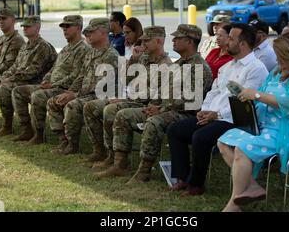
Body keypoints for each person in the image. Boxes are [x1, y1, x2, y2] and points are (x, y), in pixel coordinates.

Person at [217, 33, 289, 212]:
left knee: (242, 148)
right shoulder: (278, 71)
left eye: (281, 57)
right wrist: (247, 94)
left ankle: (233, 206)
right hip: (266, 127)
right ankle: (251, 186)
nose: (278, 60)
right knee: (224, 142)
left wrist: (257, 95)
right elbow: (261, 92)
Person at [95, 24, 213, 184]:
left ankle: (144, 171)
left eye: (178, 38)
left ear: (190, 42)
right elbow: (162, 91)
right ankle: (119, 163)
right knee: (123, 115)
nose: (174, 40)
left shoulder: (198, 67)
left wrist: (160, 109)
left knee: (153, 122)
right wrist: (156, 105)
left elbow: (190, 100)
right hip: (163, 108)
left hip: (186, 114)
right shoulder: (178, 64)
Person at [168, 23, 268, 196]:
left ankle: (196, 184)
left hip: (236, 120)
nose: (226, 42)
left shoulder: (256, 69)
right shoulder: (227, 67)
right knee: (175, 130)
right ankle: (183, 177)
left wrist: (217, 114)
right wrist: (205, 110)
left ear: (243, 44)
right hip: (214, 116)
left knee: (200, 137)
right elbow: (214, 92)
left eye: (231, 38)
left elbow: (244, 103)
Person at [83, 26, 172, 168]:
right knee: (91, 106)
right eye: (142, 42)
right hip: (132, 98)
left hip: (147, 105)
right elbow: (125, 80)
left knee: (112, 110)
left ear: (159, 41)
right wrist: (133, 60)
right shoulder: (143, 59)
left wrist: (126, 100)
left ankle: (119, 162)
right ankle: (104, 152)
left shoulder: (165, 65)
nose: (142, 45)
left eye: (146, 42)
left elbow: (155, 94)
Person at [11, 15, 91, 146]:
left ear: (78, 28)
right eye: (63, 27)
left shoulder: (82, 49)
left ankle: (52, 137)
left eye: (68, 26)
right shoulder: (66, 48)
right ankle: (27, 130)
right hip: (52, 86)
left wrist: (52, 84)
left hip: (65, 89)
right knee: (18, 91)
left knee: (38, 96)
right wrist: (46, 79)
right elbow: (53, 68)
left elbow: (76, 76)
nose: (64, 29)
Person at [46, 18, 118, 154]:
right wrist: (70, 92)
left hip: (101, 96)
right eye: (87, 33)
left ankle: (81, 147)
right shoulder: (91, 53)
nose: (88, 35)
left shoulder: (110, 56)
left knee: (72, 105)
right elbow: (81, 76)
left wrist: (75, 95)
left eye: (91, 32)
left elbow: (101, 87)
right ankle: (64, 141)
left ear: (103, 33)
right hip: (85, 94)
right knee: (54, 101)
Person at [0, 15, 57, 136]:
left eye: (28, 26)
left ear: (37, 28)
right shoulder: (26, 46)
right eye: (24, 26)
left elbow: (33, 71)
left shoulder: (42, 46)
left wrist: (10, 79)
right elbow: (15, 66)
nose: (24, 28)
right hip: (19, 79)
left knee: (4, 89)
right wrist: (6, 76)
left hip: (36, 82)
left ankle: (22, 128)